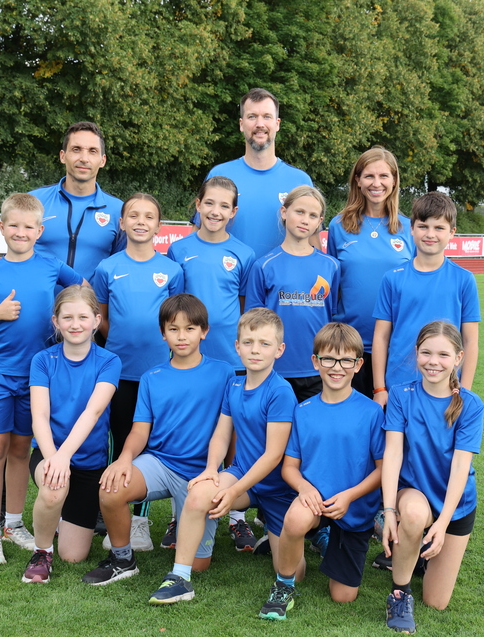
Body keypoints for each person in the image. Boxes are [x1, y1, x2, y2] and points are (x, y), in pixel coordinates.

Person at [81, 294, 235, 585]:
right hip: (160, 463)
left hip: (202, 473)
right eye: (173, 329)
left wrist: (226, 472)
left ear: (204, 331)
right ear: (163, 333)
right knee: (111, 488)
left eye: (190, 328)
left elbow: (230, 427)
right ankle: (123, 559)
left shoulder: (224, 372)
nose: (182, 336)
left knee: (199, 565)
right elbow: (140, 430)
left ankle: (185, 526)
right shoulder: (152, 377)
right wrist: (124, 460)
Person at [0, 193, 83, 564]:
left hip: (37, 378)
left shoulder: (52, 266)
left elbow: (83, 291)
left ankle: (15, 524)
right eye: (13, 225)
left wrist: (69, 323)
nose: (20, 231)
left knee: (19, 450)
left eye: (28, 226)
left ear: (39, 230)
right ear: (1, 228)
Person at [147, 308, 297, 604]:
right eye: (249, 342)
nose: (256, 350)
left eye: (265, 344)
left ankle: (287, 537)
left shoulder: (280, 391)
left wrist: (233, 493)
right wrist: (212, 469)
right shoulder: (235, 384)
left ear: (279, 350)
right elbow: (222, 433)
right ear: (237, 346)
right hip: (243, 473)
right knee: (199, 494)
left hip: (278, 488)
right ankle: (180, 577)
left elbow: (272, 455)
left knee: (294, 571)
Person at [259, 323, 385, 621]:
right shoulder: (303, 410)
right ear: (315, 362)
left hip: (352, 507)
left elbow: (382, 469)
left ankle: (333, 539)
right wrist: (304, 488)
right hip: (315, 500)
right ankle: (284, 585)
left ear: (358, 365)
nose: (336, 367)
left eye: (346, 361)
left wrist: (350, 496)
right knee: (296, 517)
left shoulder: (371, 412)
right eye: (328, 359)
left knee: (343, 597)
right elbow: (289, 468)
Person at [167, 176, 257, 549]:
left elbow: (244, 307)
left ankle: (236, 515)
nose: (215, 211)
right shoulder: (178, 250)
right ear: (197, 204)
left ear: (233, 213)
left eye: (224, 206)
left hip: (230, 360)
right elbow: (173, 308)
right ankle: (179, 515)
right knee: (191, 434)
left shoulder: (243, 254)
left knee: (235, 437)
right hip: (189, 360)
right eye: (210, 203)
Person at [91, 193, 184, 551]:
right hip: (119, 374)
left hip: (158, 374)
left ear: (159, 226)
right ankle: (118, 514)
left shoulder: (173, 270)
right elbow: (102, 317)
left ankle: (141, 523)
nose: (141, 221)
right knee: (118, 444)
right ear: (122, 223)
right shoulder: (108, 268)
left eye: (149, 216)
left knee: (150, 447)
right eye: (133, 215)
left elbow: (177, 319)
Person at [380, 321, 484, 633]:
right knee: (411, 514)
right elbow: (393, 455)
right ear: (416, 353)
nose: (433, 361)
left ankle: (418, 551)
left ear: (459, 358)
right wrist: (387, 511)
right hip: (415, 493)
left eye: (443, 354)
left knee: (437, 602)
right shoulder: (401, 395)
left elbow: (459, 468)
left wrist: (442, 523)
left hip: (456, 504)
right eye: (426, 353)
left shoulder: (470, 404)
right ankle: (400, 592)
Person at [21, 285, 120, 584]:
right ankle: (41, 551)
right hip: (49, 452)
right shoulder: (42, 360)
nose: (75, 324)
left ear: (96, 320)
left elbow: (92, 413)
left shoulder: (109, 362)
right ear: (56, 322)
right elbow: (39, 416)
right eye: (67, 318)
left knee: (74, 555)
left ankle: (60, 520)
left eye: (82, 317)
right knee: (53, 488)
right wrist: (54, 458)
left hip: (88, 460)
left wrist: (67, 456)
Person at [371, 191, 480, 409]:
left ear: (452, 233)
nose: (430, 234)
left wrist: (464, 391)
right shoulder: (393, 279)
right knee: (394, 443)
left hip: (446, 389)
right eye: (423, 226)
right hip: (397, 386)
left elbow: (470, 341)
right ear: (411, 229)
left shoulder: (464, 280)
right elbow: (381, 337)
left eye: (439, 227)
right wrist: (379, 388)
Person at [327, 147, 414, 398]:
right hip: (349, 347)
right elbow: (334, 286)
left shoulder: (409, 228)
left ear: (395, 180)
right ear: (357, 180)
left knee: (394, 429)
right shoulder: (338, 225)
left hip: (397, 348)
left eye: (384, 176)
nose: (377, 183)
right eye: (369, 176)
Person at [194, 88, 314, 260]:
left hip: (279, 285)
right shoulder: (219, 175)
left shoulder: (300, 181)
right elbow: (197, 236)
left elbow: (313, 244)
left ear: (277, 124)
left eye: (267, 116)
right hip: (230, 284)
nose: (260, 124)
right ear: (241, 124)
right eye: (252, 117)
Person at [245, 186, 339, 402]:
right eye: (299, 212)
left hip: (317, 369)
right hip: (274, 370)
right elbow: (254, 323)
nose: (305, 220)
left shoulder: (331, 266)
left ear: (319, 222)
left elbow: (331, 317)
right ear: (284, 212)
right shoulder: (264, 266)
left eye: (312, 215)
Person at [30, 121, 124, 282]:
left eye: (92, 151)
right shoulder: (34, 202)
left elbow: (121, 268)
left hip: (91, 307)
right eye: (76, 149)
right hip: (39, 306)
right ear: (62, 156)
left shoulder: (119, 211)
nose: (84, 158)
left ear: (102, 160)